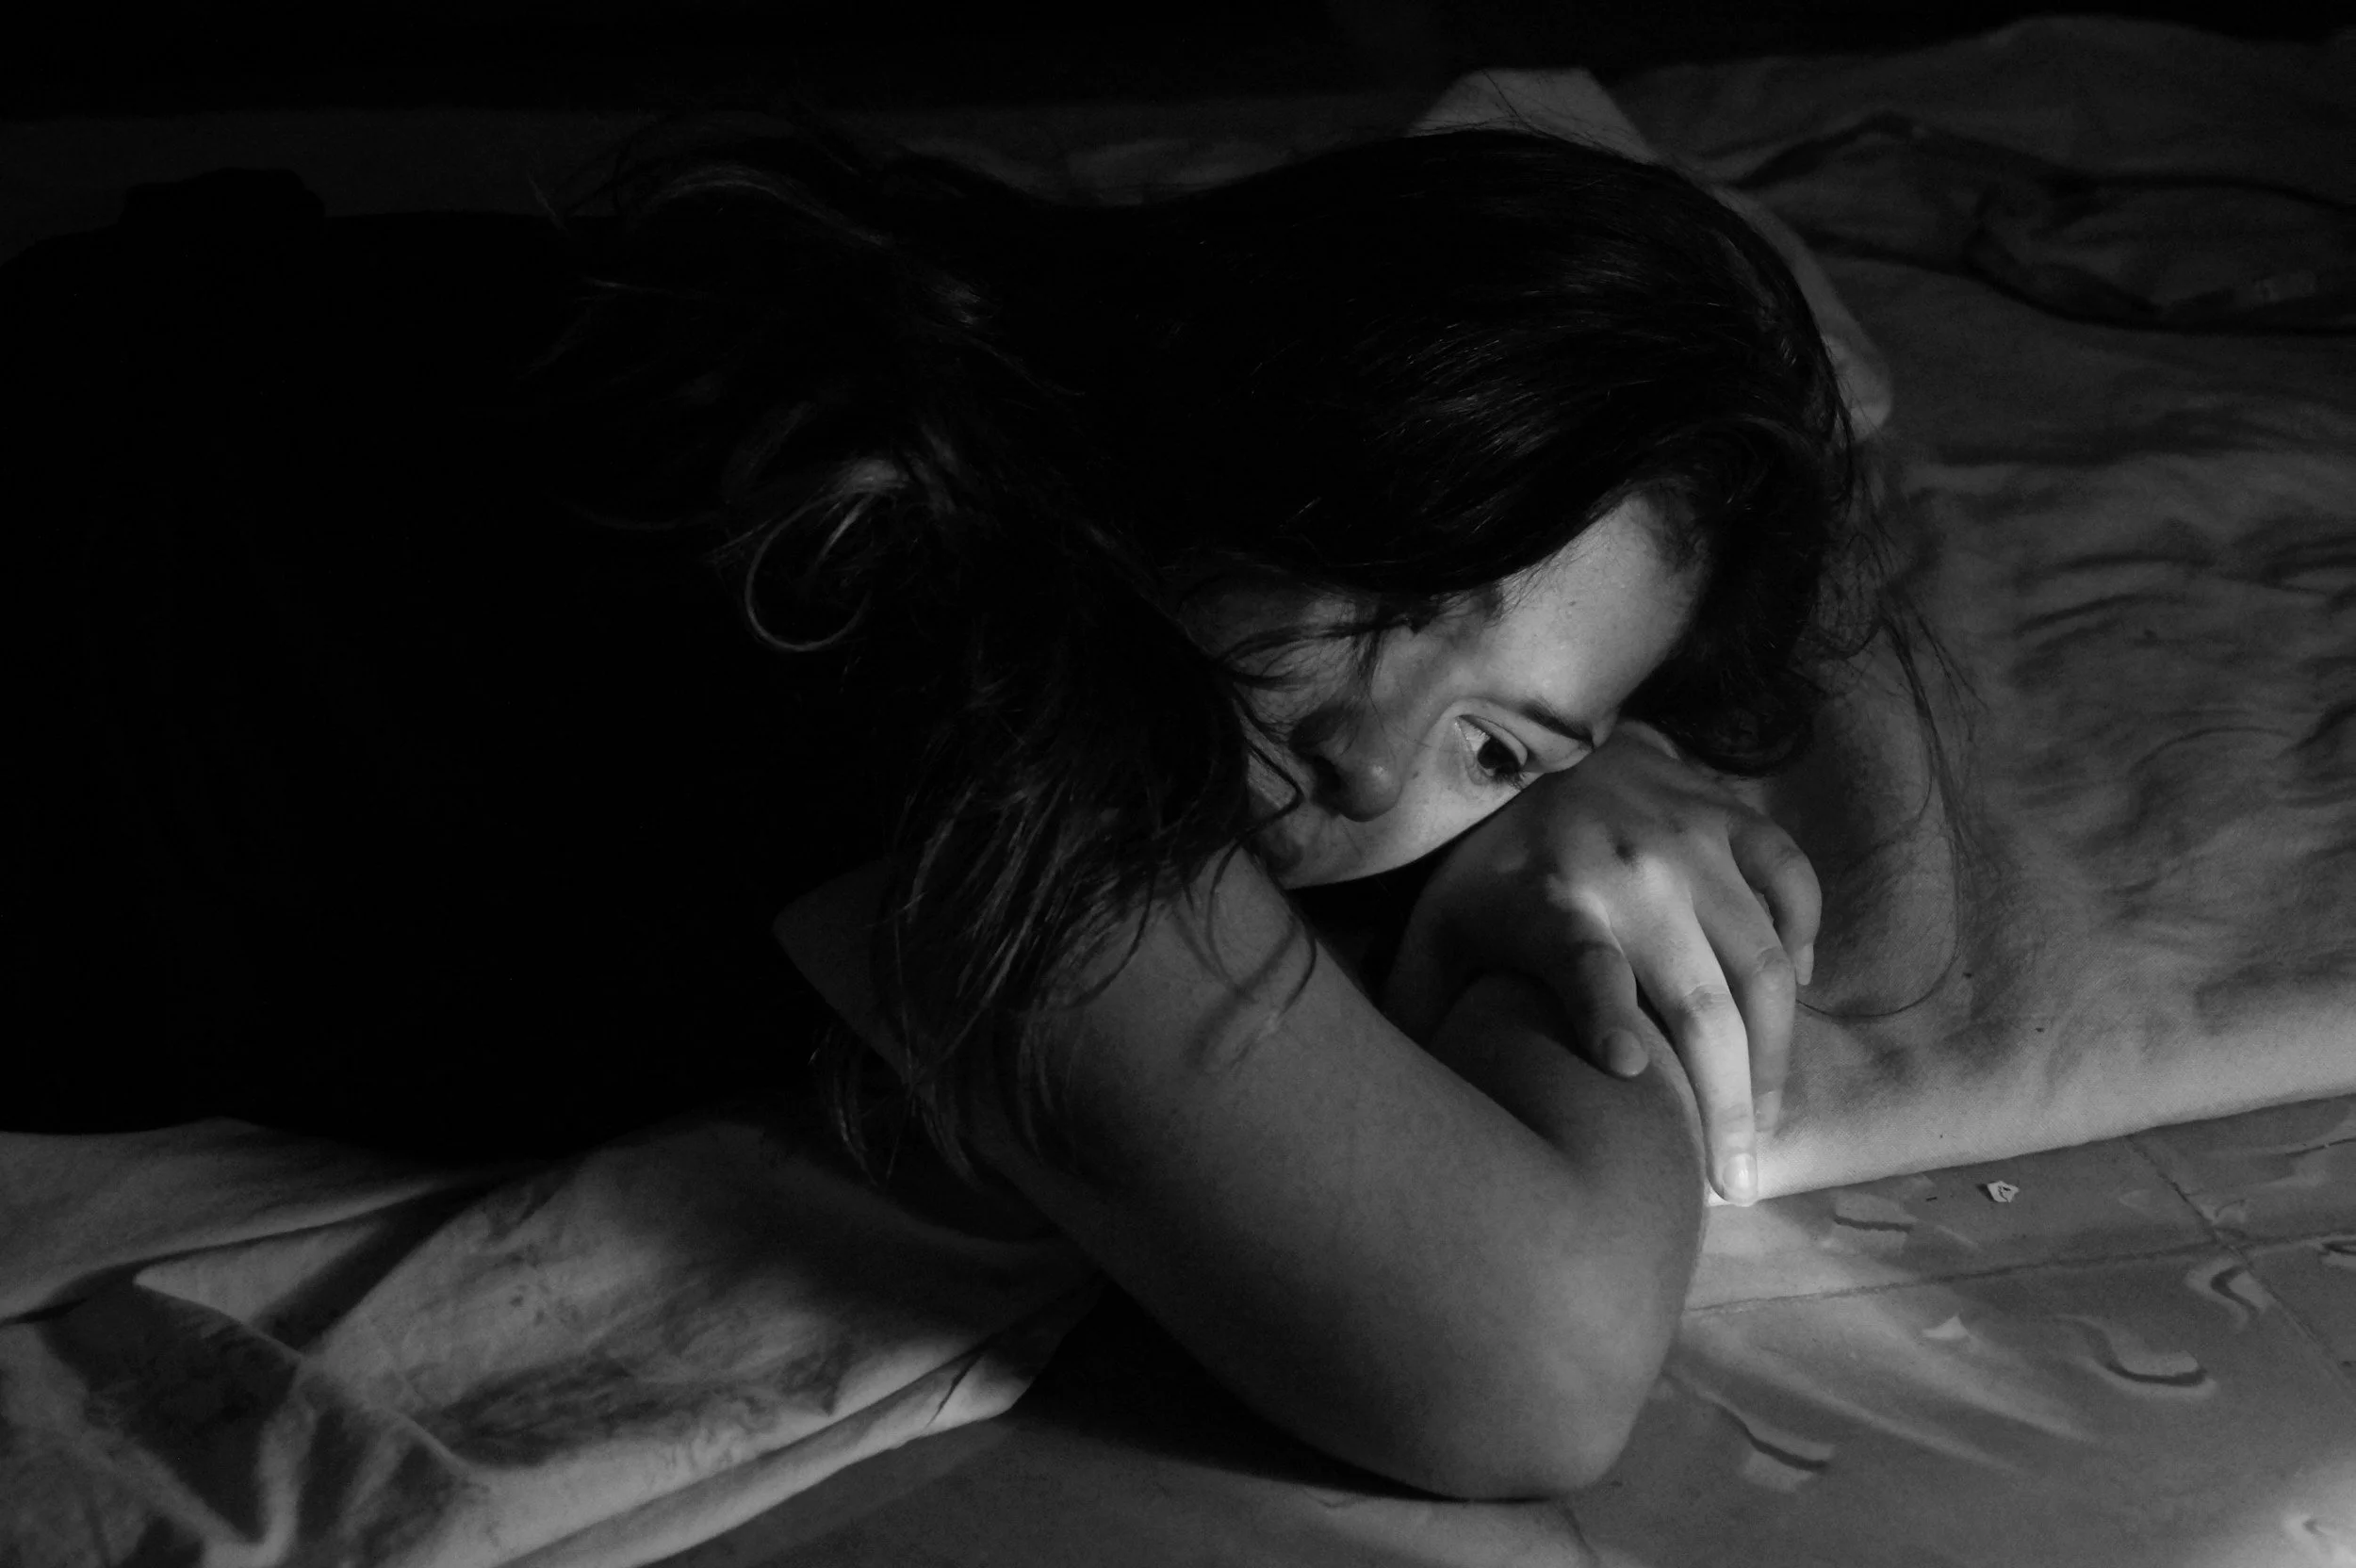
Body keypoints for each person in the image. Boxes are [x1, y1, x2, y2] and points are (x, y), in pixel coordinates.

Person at [2, 119, 1863, 1498]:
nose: (1371, 767)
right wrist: (1540, 957)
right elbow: (1514, 1366)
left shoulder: (1039, 462)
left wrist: (1555, 788)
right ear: (1244, 412)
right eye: (1377, 588)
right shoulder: (883, 581)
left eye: (1497, 743)